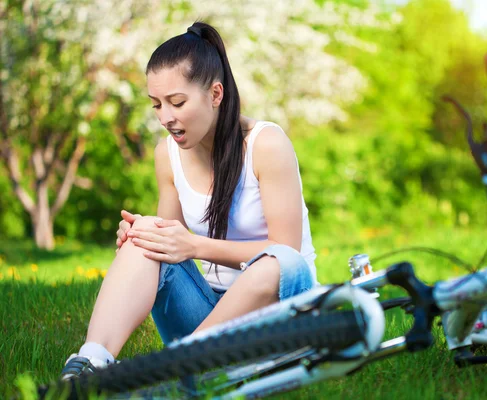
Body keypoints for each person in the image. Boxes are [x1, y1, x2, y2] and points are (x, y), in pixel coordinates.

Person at [60, 21, 318, 379]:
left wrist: (193, 245)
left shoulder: (266, 144)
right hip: (208, 320)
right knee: (149, 234)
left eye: (177, 102)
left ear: (215, 94)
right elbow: (170, 242)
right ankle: (91, 363)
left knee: (279, 263)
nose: (166, 117)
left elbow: (285, 249)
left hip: (284, 314)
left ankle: (180, 368)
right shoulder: (167, 155)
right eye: (156, 105)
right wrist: (142, 236)